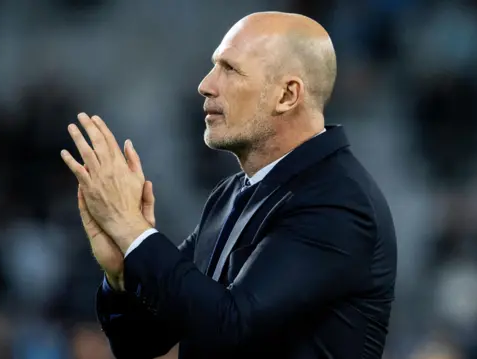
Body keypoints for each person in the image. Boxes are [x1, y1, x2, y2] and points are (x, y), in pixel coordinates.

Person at [61, 11, 397, 359]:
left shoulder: (337, 201)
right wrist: (122, 274)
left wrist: (133, 232)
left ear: (287, 95)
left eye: (230, 69)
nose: (205, 84)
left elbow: (231, 327)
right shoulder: (230, 195)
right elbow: (144, 342)